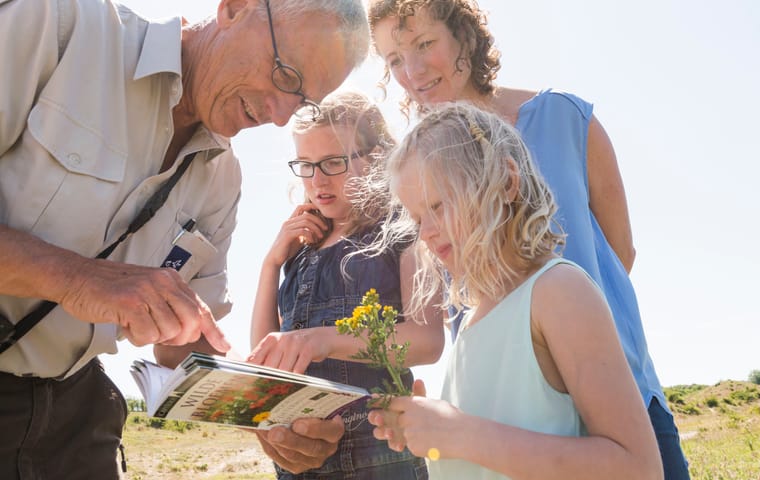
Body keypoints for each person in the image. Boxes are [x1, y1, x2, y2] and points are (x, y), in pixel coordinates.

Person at [0, 0, 368, 477]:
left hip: (76, 421)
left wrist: (268, 411)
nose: (280, 117)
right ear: (235, 9)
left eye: (302, 101)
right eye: (285, 75)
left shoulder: (223, 182)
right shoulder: (59, 26)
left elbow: (186, 344)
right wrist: (79, 279)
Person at [366, 1, 690, 477]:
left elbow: (618, 254)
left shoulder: (565, 118)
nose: (411, 71)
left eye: (424, 43)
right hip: (504, 408)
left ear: (464, 36)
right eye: (393, 59)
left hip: (611, 382)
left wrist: (560, 329)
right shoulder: (416, 169)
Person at [248, 90, 444, 479]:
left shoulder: (403, 229)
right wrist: (271, 263)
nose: (317, 179)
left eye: (333, 162)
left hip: (381, 457)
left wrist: (323, 340)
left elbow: (427, 340)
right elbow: (265, 355)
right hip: (299, 462)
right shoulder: (298, 252)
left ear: (375, 159)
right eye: (305, 165)